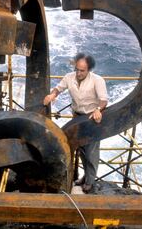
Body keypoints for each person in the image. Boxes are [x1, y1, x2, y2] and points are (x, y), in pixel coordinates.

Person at [43, 53, 108, 193]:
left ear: (89, 69)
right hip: (77, 117)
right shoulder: (69, 77)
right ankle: (86, 177)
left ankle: (90, 182)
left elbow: (104, 100)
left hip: (91, 119)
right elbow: (58, 88)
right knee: (82, 151)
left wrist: (98, 109)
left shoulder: (97, 80)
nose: (78, 73)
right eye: (77, 69)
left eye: (82, 70)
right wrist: (52, 95)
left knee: (91, 153)